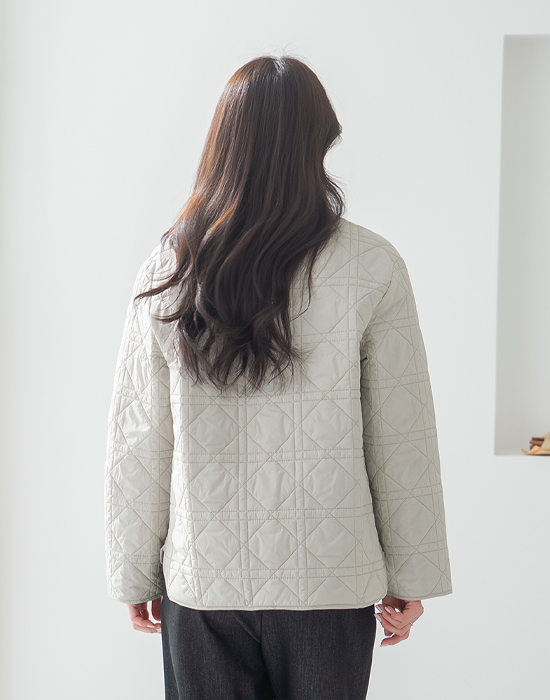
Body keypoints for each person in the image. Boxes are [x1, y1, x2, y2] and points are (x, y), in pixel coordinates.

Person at [104, 53, 453, 700]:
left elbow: (140, 438)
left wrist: (133, 573)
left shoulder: (171, 266)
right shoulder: (373, 264)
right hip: (331, 580)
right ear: (318, 142)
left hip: (204, 582)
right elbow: (401, 431)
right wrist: (412, 573)